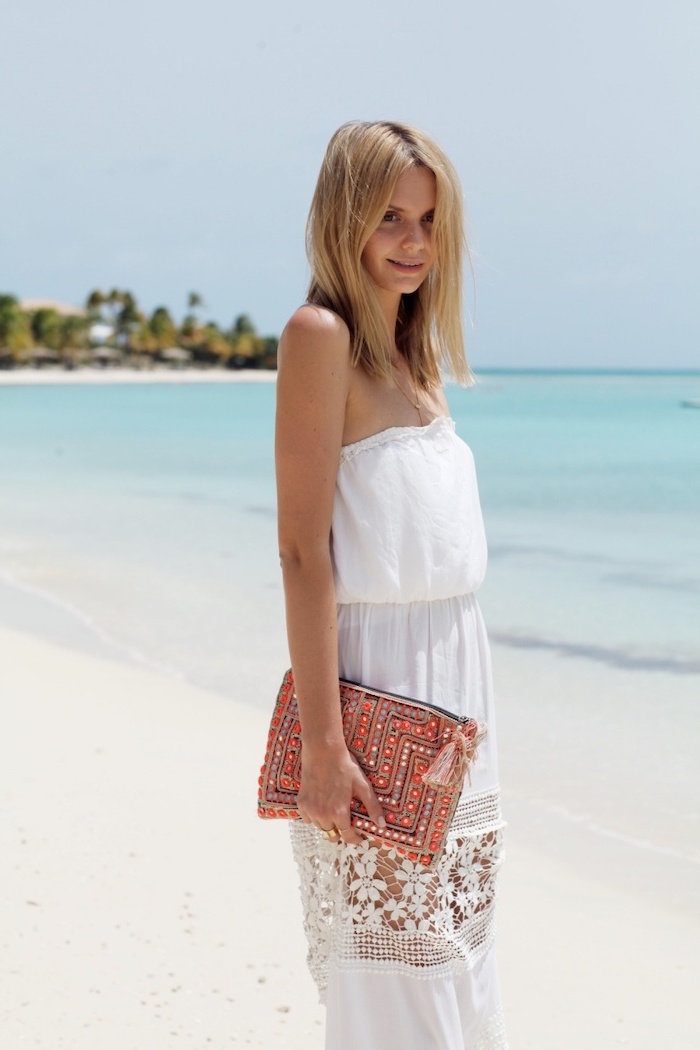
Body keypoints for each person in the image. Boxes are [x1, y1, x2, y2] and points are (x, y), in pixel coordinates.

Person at [275, 120, 508, 1050]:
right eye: (388, 218)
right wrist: (325, 751)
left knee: (461, 958)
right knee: (395, 983)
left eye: (427, 219)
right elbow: (302, 552)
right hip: (380, 687)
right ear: (343, 221)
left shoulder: (416, 353)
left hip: (460, 685)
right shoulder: (317, 335)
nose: (413, 242)